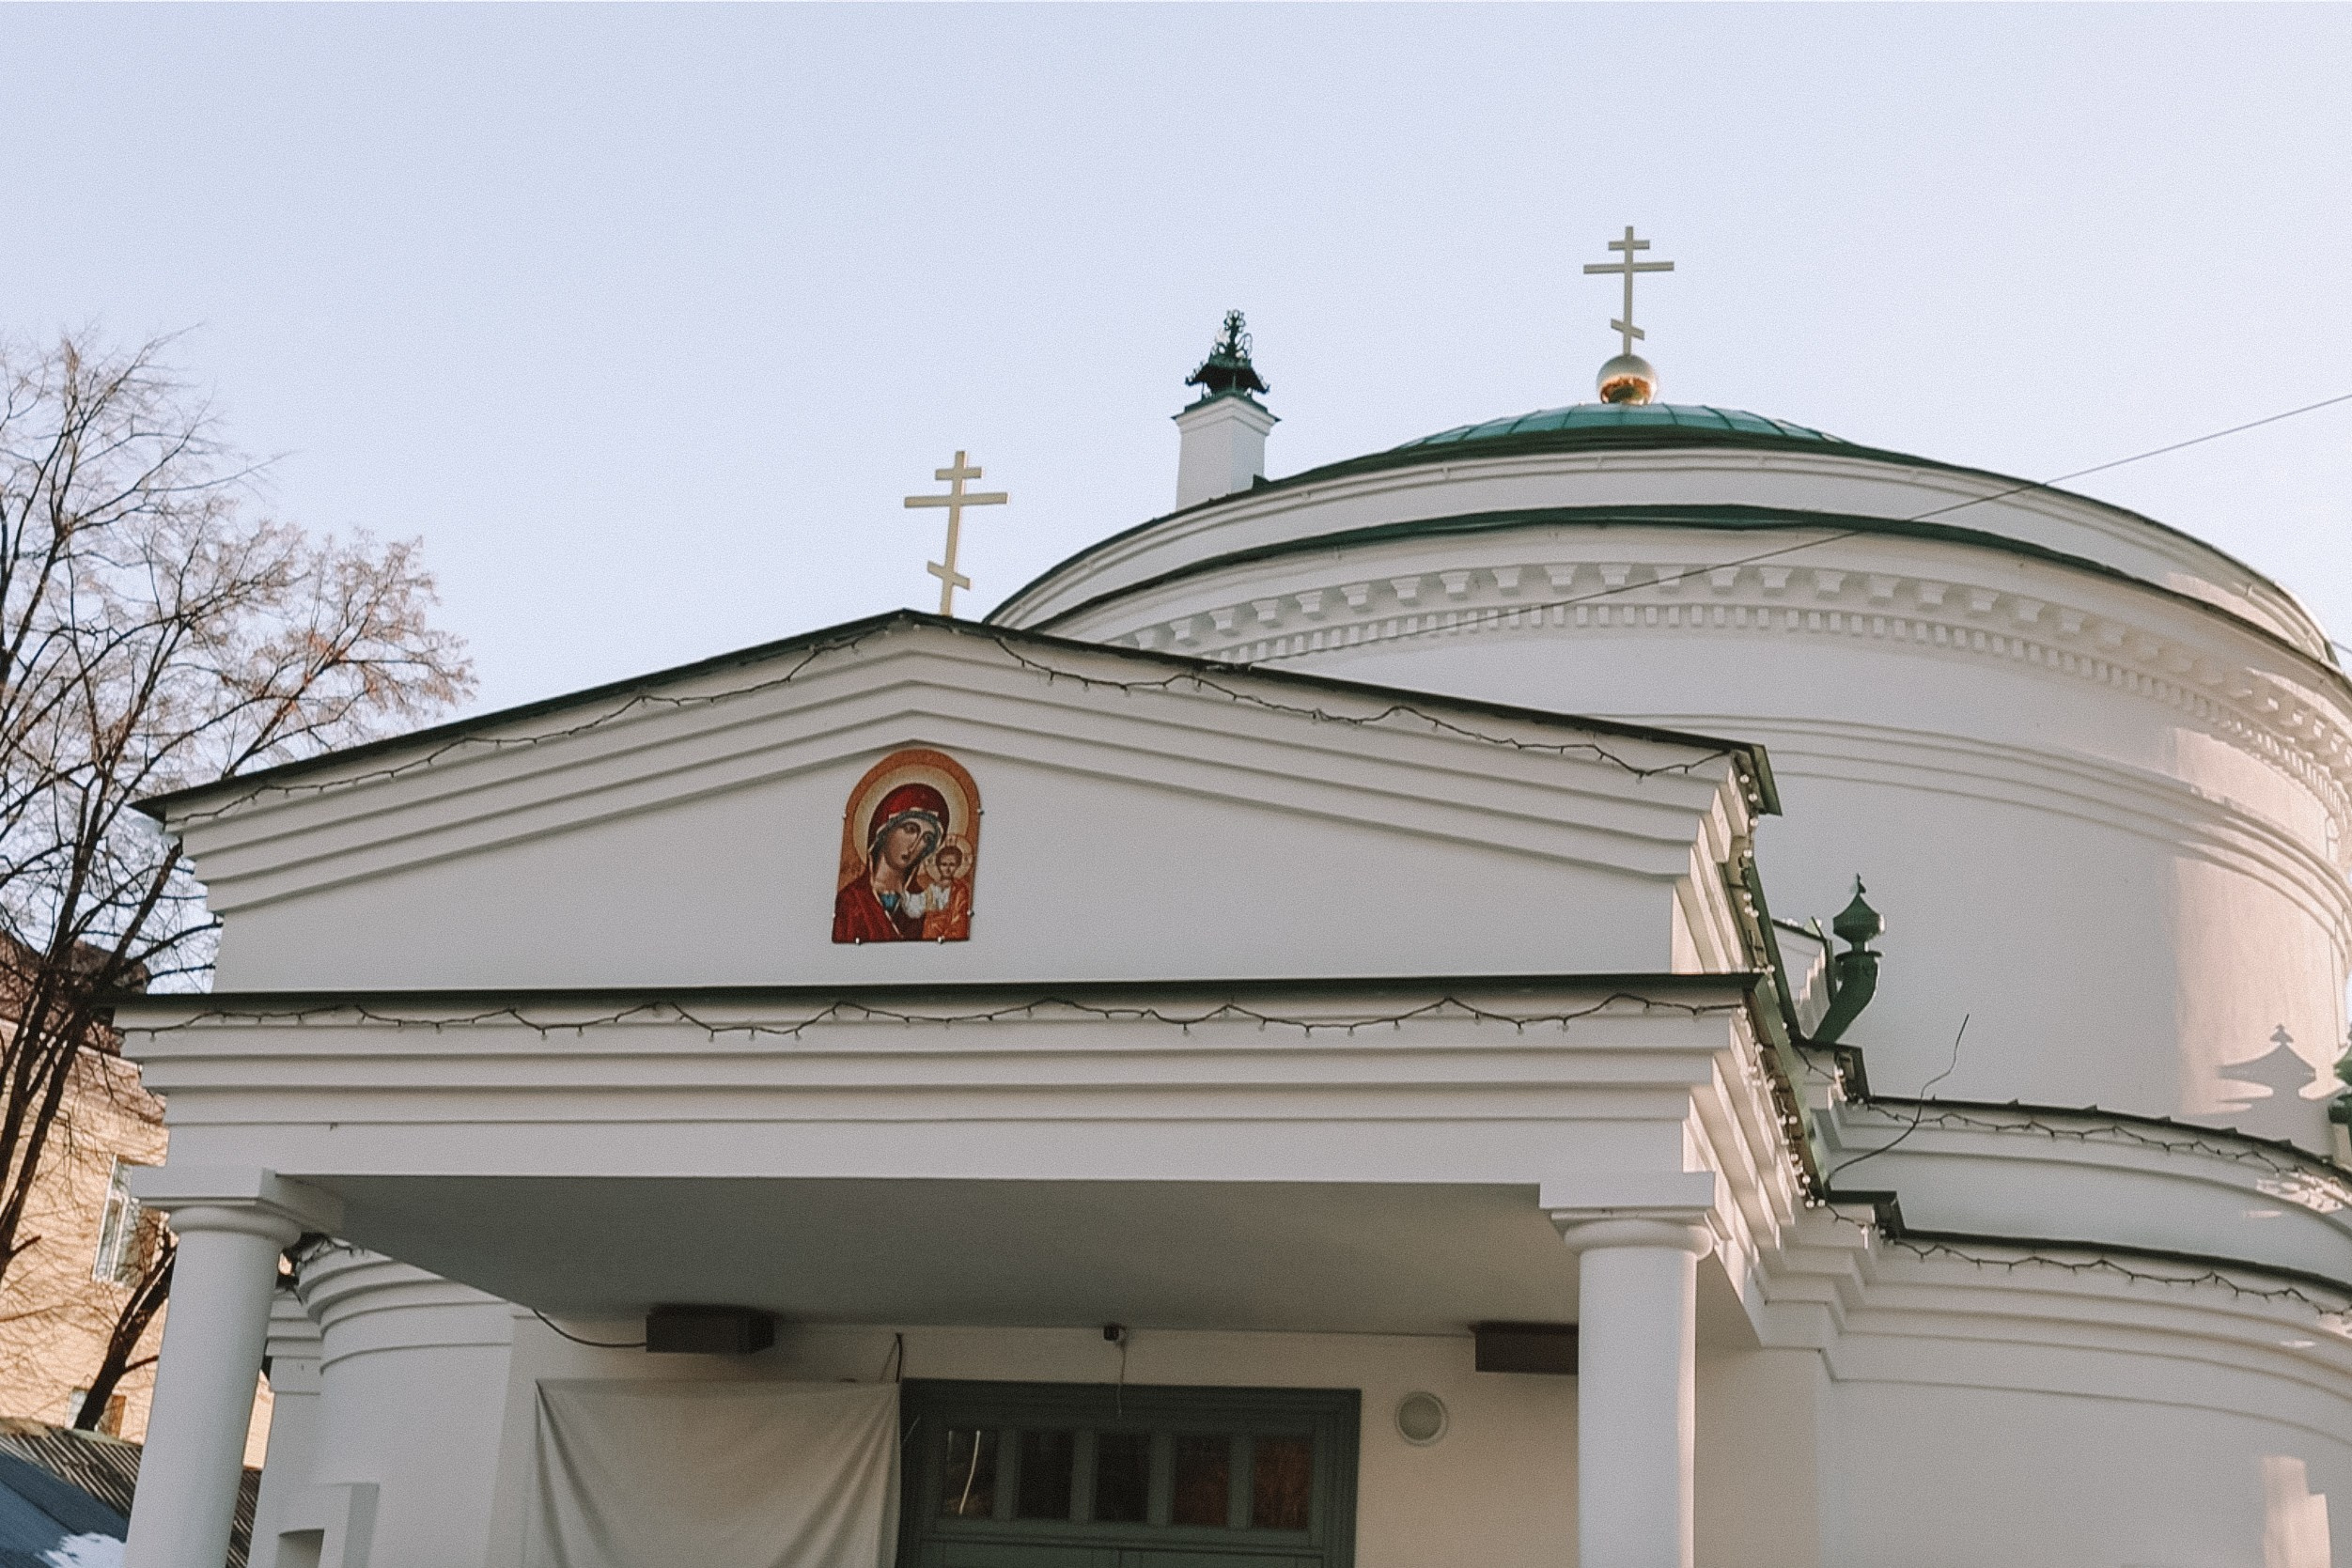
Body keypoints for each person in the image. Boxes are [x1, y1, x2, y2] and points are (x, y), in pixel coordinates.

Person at [832, 783, 948, 942]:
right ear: (884, 830)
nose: (916, 845)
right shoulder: (851, 901)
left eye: (927, 839)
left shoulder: (925, 904)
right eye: (910, 829)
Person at [919, 839, 974, 941]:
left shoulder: (960, 889)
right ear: (938, 865)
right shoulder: (931, 887)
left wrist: (947, 935)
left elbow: (959, 919)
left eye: (952, 864)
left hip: (949, 933)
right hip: (928, 932)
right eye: (944, 864)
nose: (947, 869)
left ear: (958, 865)